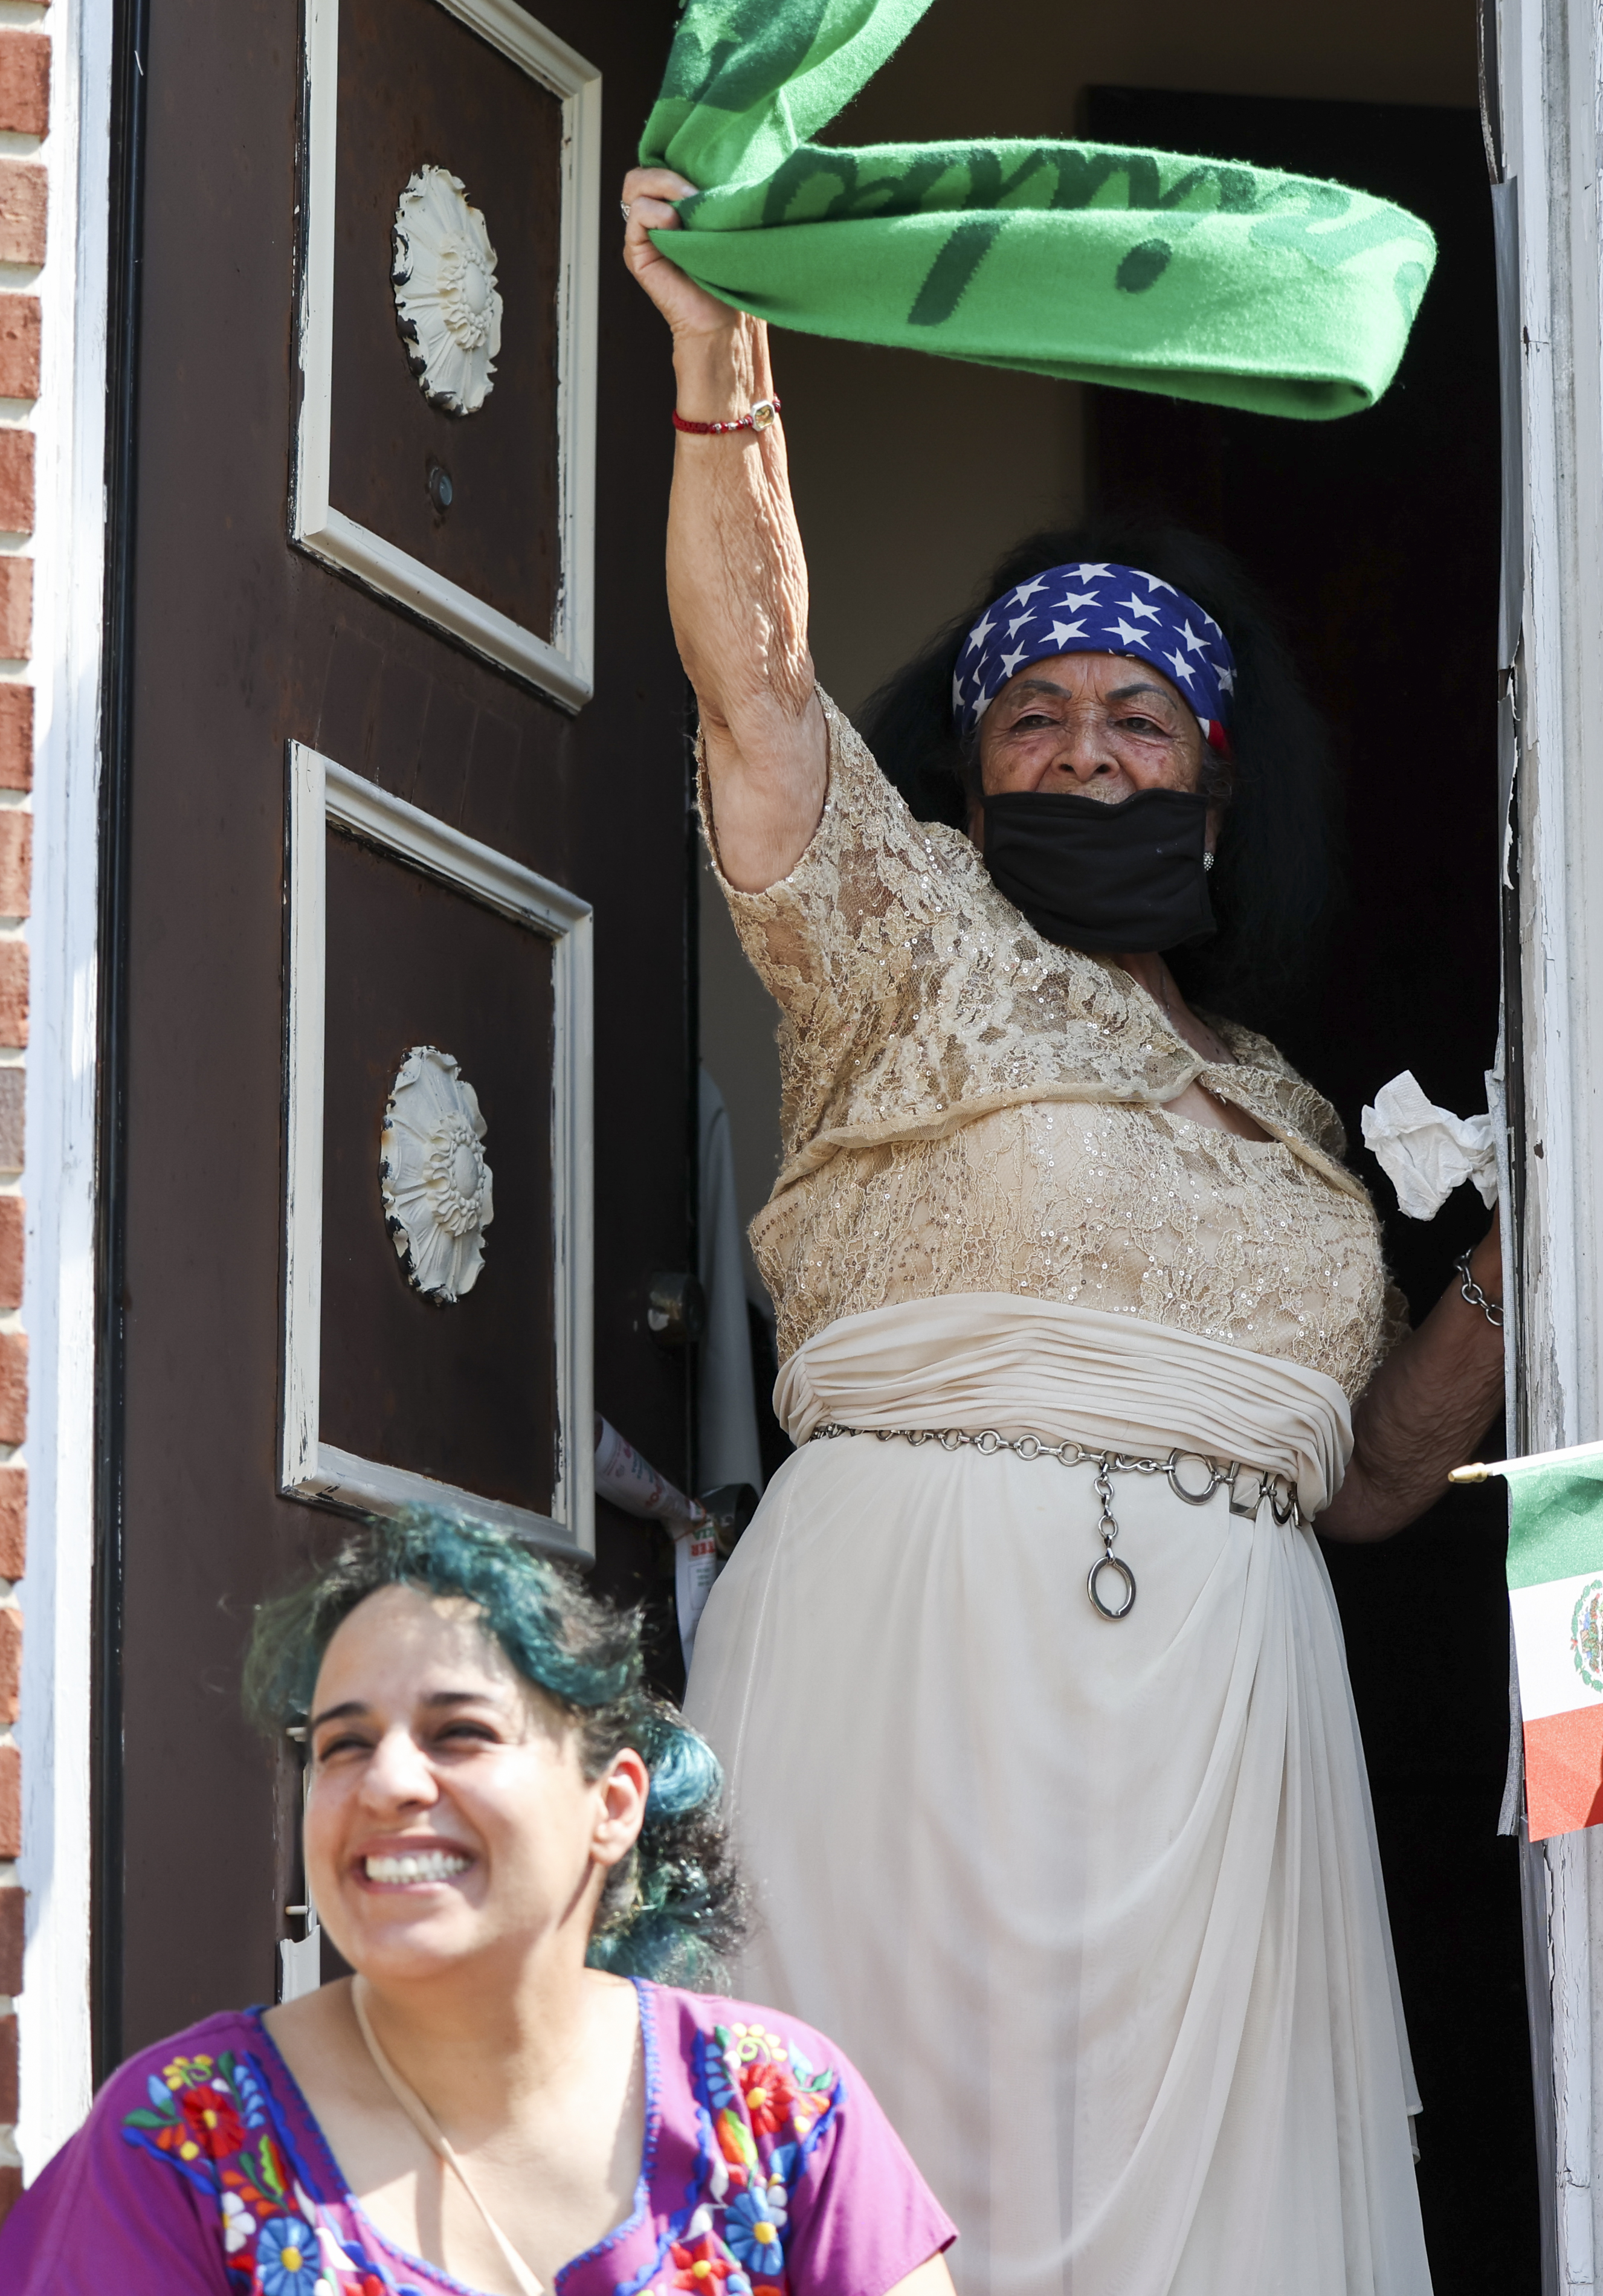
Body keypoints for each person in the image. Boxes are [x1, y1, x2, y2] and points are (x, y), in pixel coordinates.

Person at [616, 163, 1509, 2296]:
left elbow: (1380, 1478)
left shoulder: (1298, 1116)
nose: (1085, 755)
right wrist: (719, 373)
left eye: (1138, 722)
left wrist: (1535, 1232)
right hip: (910, 1664)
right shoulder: (900, 948)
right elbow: (757, 691)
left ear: (1214, 786)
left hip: (1230, 1738)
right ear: (976, 760)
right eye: (1038, 715)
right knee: (859, 2194)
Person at [0, 1511, 958, 2296]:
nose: (388, 1781)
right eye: (343, 1745)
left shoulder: (783, 2115)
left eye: (460, 1732)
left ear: (610, 1805)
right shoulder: (186, 2145)